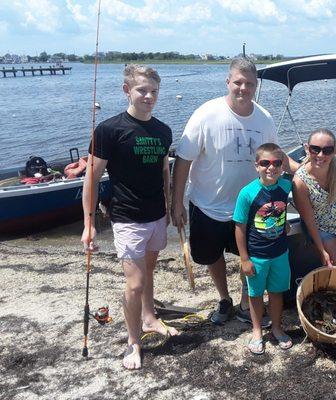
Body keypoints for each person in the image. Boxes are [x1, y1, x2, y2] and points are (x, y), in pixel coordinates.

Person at [171, 57, 298, 326]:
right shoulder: (206, 113)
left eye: (249, 84)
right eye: (238, 82)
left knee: (250, 256)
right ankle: (224, 298)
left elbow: (277, 157)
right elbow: (183, 160)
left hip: (252, 205)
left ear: (256, 85)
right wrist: (176, 202)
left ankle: (244, 301)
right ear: (228, 81)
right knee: (211, 255)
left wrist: (304, 171)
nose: (243, 88)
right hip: (208, 204)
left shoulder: (264, 118)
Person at [81, 64, 175, 370]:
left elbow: (164, 173)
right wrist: (89, 224)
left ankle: (149, 317)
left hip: (157, 215)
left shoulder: (163, 130)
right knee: (134, 284)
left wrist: (172, 206)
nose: (149, 96)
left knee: (148, 273)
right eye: (142, 90)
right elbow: (91, 180)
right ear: (127, 90)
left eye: (154, 91)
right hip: (127, 218)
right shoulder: (109, 130)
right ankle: (133, 342)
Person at [233, 143, 293, 354]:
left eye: (276, 163)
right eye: (265, 163)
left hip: (280, 253)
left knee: (277, 293)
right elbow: (239, 228)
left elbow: (304, 182)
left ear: (282, 166)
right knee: (256, 294)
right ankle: (257, 331)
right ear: (256, 166)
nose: (271, 168)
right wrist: (244, 259)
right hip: (257, 256)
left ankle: (276, 328)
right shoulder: (247, 193)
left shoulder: (285, 186)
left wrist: (284, 223)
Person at [292, 129, 336, 267]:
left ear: (334, 150)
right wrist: (321, 250)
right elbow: (309, 220)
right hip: (322, 229)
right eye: (315, 149)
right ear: (307, 148)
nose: (320, 155)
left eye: (327, 150)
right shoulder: (300, 181)